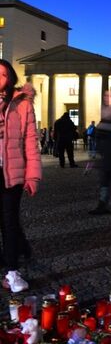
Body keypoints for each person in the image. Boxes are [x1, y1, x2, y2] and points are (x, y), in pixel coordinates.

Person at [0, 59, 42, 293]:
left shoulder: (22, 104)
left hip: (11, 173)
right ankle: (16, 252)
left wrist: (33, 176)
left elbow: (30, 141)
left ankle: (12, 272)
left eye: (3, 74)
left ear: (10, 79)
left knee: (9, 222)